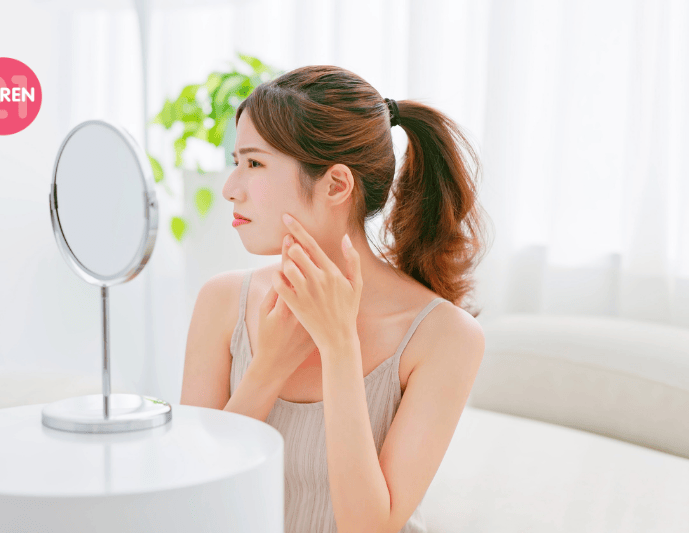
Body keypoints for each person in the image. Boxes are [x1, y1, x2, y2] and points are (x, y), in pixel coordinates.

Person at [181, 65, 491, 533]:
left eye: (254, 163)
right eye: (236, 161)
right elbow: (191, 502)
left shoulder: (444, 336)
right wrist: (268, 368)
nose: (230, 188)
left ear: (336, 185)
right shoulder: (222, 302)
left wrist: (338, 345)